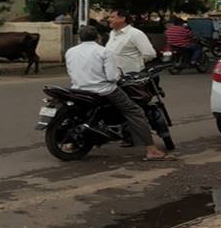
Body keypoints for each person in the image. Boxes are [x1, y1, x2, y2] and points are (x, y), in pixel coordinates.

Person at [66, 26, 173, 161]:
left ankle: (71, 144)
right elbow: (112, 77)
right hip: (104, 90)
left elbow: (71, 71)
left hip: (78, 89)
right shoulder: (104, 51)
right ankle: (152, 150)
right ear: (98, 37)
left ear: (79, 37)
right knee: (135, 112)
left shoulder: (70, 51)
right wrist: (117, 77)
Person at [106, 9, 156, 74]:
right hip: (112, 75)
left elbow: (150, 54)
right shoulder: (112, 33)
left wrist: (135, 62)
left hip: (130, 77)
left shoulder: (135, 34)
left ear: (122, 19)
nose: (109, 19)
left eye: (112, 17)